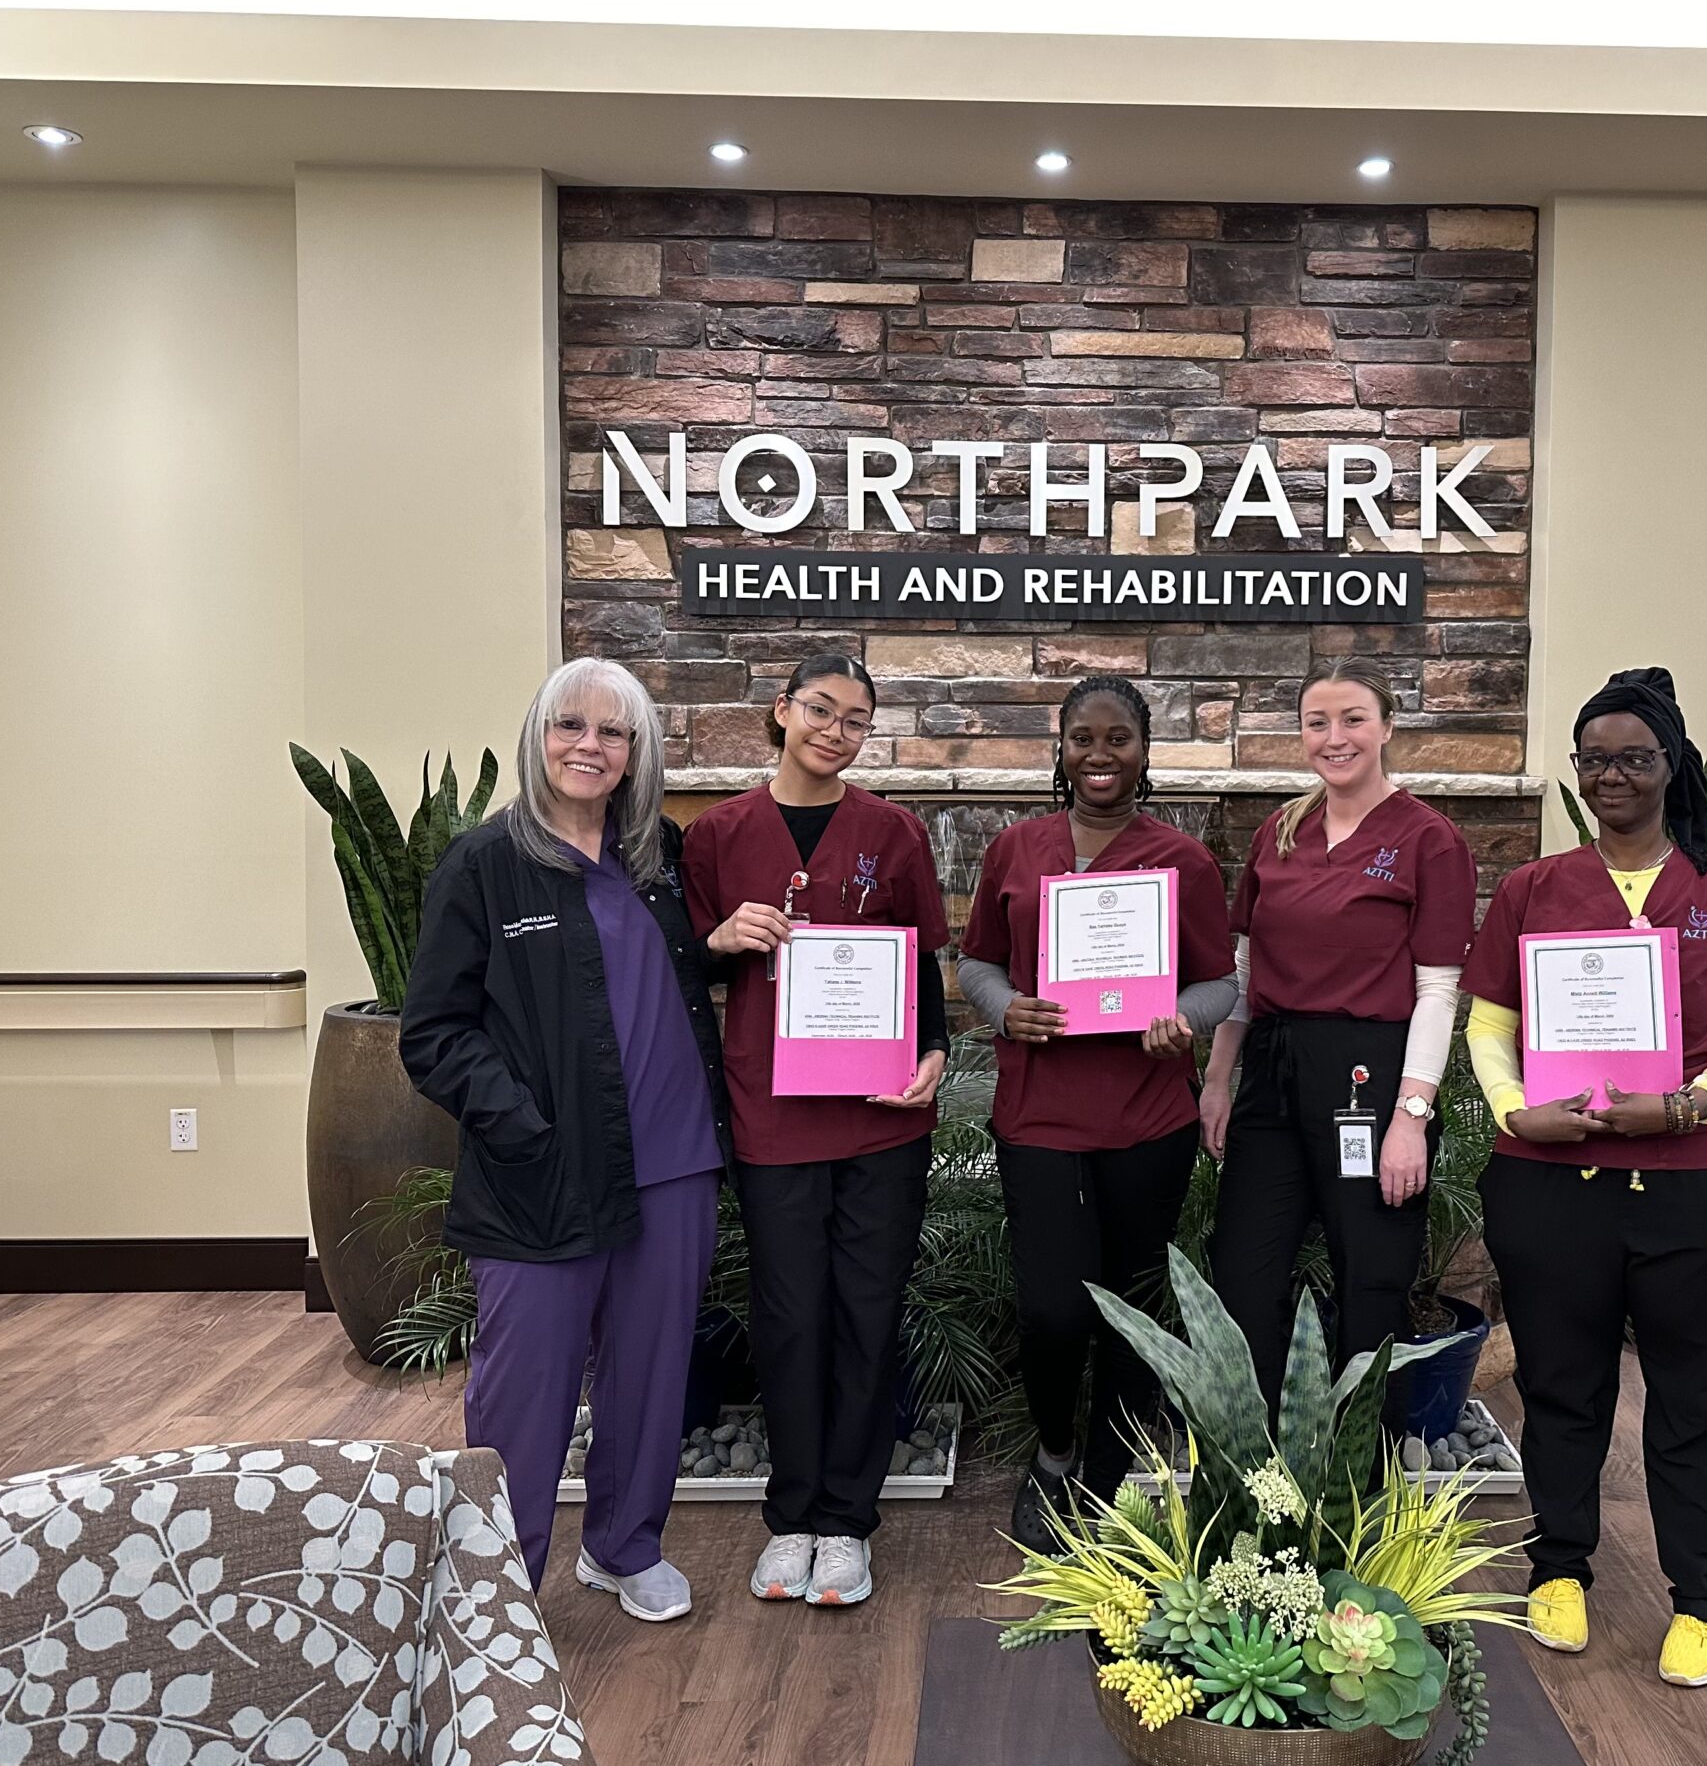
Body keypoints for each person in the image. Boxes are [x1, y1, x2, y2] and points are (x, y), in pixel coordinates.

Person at [1462, 666, 1707, 1690]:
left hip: (1698, 1183)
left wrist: (1689, 1105)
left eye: (1634, 759)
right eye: (1594, 760)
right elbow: (1489, 1024)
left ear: (1670, 765)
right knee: (1561, 1386)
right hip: (1551, 1180)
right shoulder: (1532, 889)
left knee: (1696, 1397)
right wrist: (1514, 1109)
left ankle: (1702, 1600)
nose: (1612, 776)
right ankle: (1558, 1569)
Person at [400, 656, 726, 1622]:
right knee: (524, 1391)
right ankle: (498, 1586)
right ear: (538, 737)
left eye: (613, 732)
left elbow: (666, 974)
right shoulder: (485, 864)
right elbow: (433, 1033)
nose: (590, 745)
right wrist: (521, 1124)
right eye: (570, 725)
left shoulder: (657, 859)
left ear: (637, 752)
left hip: (676, 1162)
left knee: (651, 1375)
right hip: (540, 1169)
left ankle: (624, 1548)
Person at [682, 652, 946, 1610]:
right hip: (773, 1117)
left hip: (881, 1123)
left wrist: (935, 1053)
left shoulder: (894, 832)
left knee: (866, 1315)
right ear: (782, 710)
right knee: (789, 1318)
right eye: (821, 710)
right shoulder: (715, 837)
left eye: (856, 719)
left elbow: (921, 969)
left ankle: (847, 1525)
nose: (837, 731)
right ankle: (791, 1517)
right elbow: (683, 970)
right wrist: (718, 942)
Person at [957, 676, 1237, 1551]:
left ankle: (1113, 1475)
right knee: (1054, 1310)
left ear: (1145, 752)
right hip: (1039, 1117)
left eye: (1119, 739)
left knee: (1129, 1308)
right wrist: (1007, 1009)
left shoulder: (1182, 861)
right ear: (1062, 747)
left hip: (1147, 1119)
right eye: (1084, 738)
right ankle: (1054, 1453)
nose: (1100, 755)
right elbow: (976, 962)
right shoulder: (1016, 849)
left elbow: (1221, 982)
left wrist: (1182, 1018)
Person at [1200, 659, 1477, 1403]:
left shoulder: (1429, 840)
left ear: (1387, 727)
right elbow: (1244, 970)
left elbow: (1438, 991)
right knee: (1244, 1270)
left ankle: (1363, 1459)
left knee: (1372, 1276)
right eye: (1317, 722)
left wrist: (1411, 1117)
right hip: (1272, 1071)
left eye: (1353, 719)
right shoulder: (1280, 832)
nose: (1335, 737)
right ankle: (1255, 1458)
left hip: (1370, 1077)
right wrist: (1219, 1080)